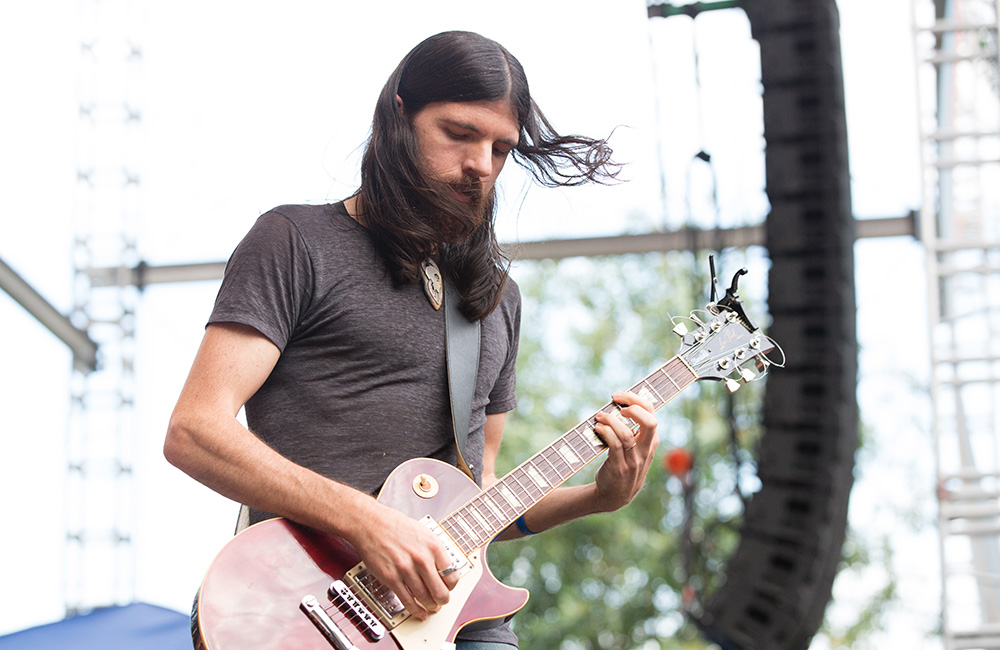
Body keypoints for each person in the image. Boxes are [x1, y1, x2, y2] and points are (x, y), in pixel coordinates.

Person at [164, 30, 659, 649]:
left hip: (454, 620)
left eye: (501, 148)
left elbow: (474, 507)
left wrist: (595, 498)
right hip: (304, 606)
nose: (482, 163)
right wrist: (369, 522)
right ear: (398, 115)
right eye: (459, 133)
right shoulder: (294, 240)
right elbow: (194, 432)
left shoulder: (498, 301)